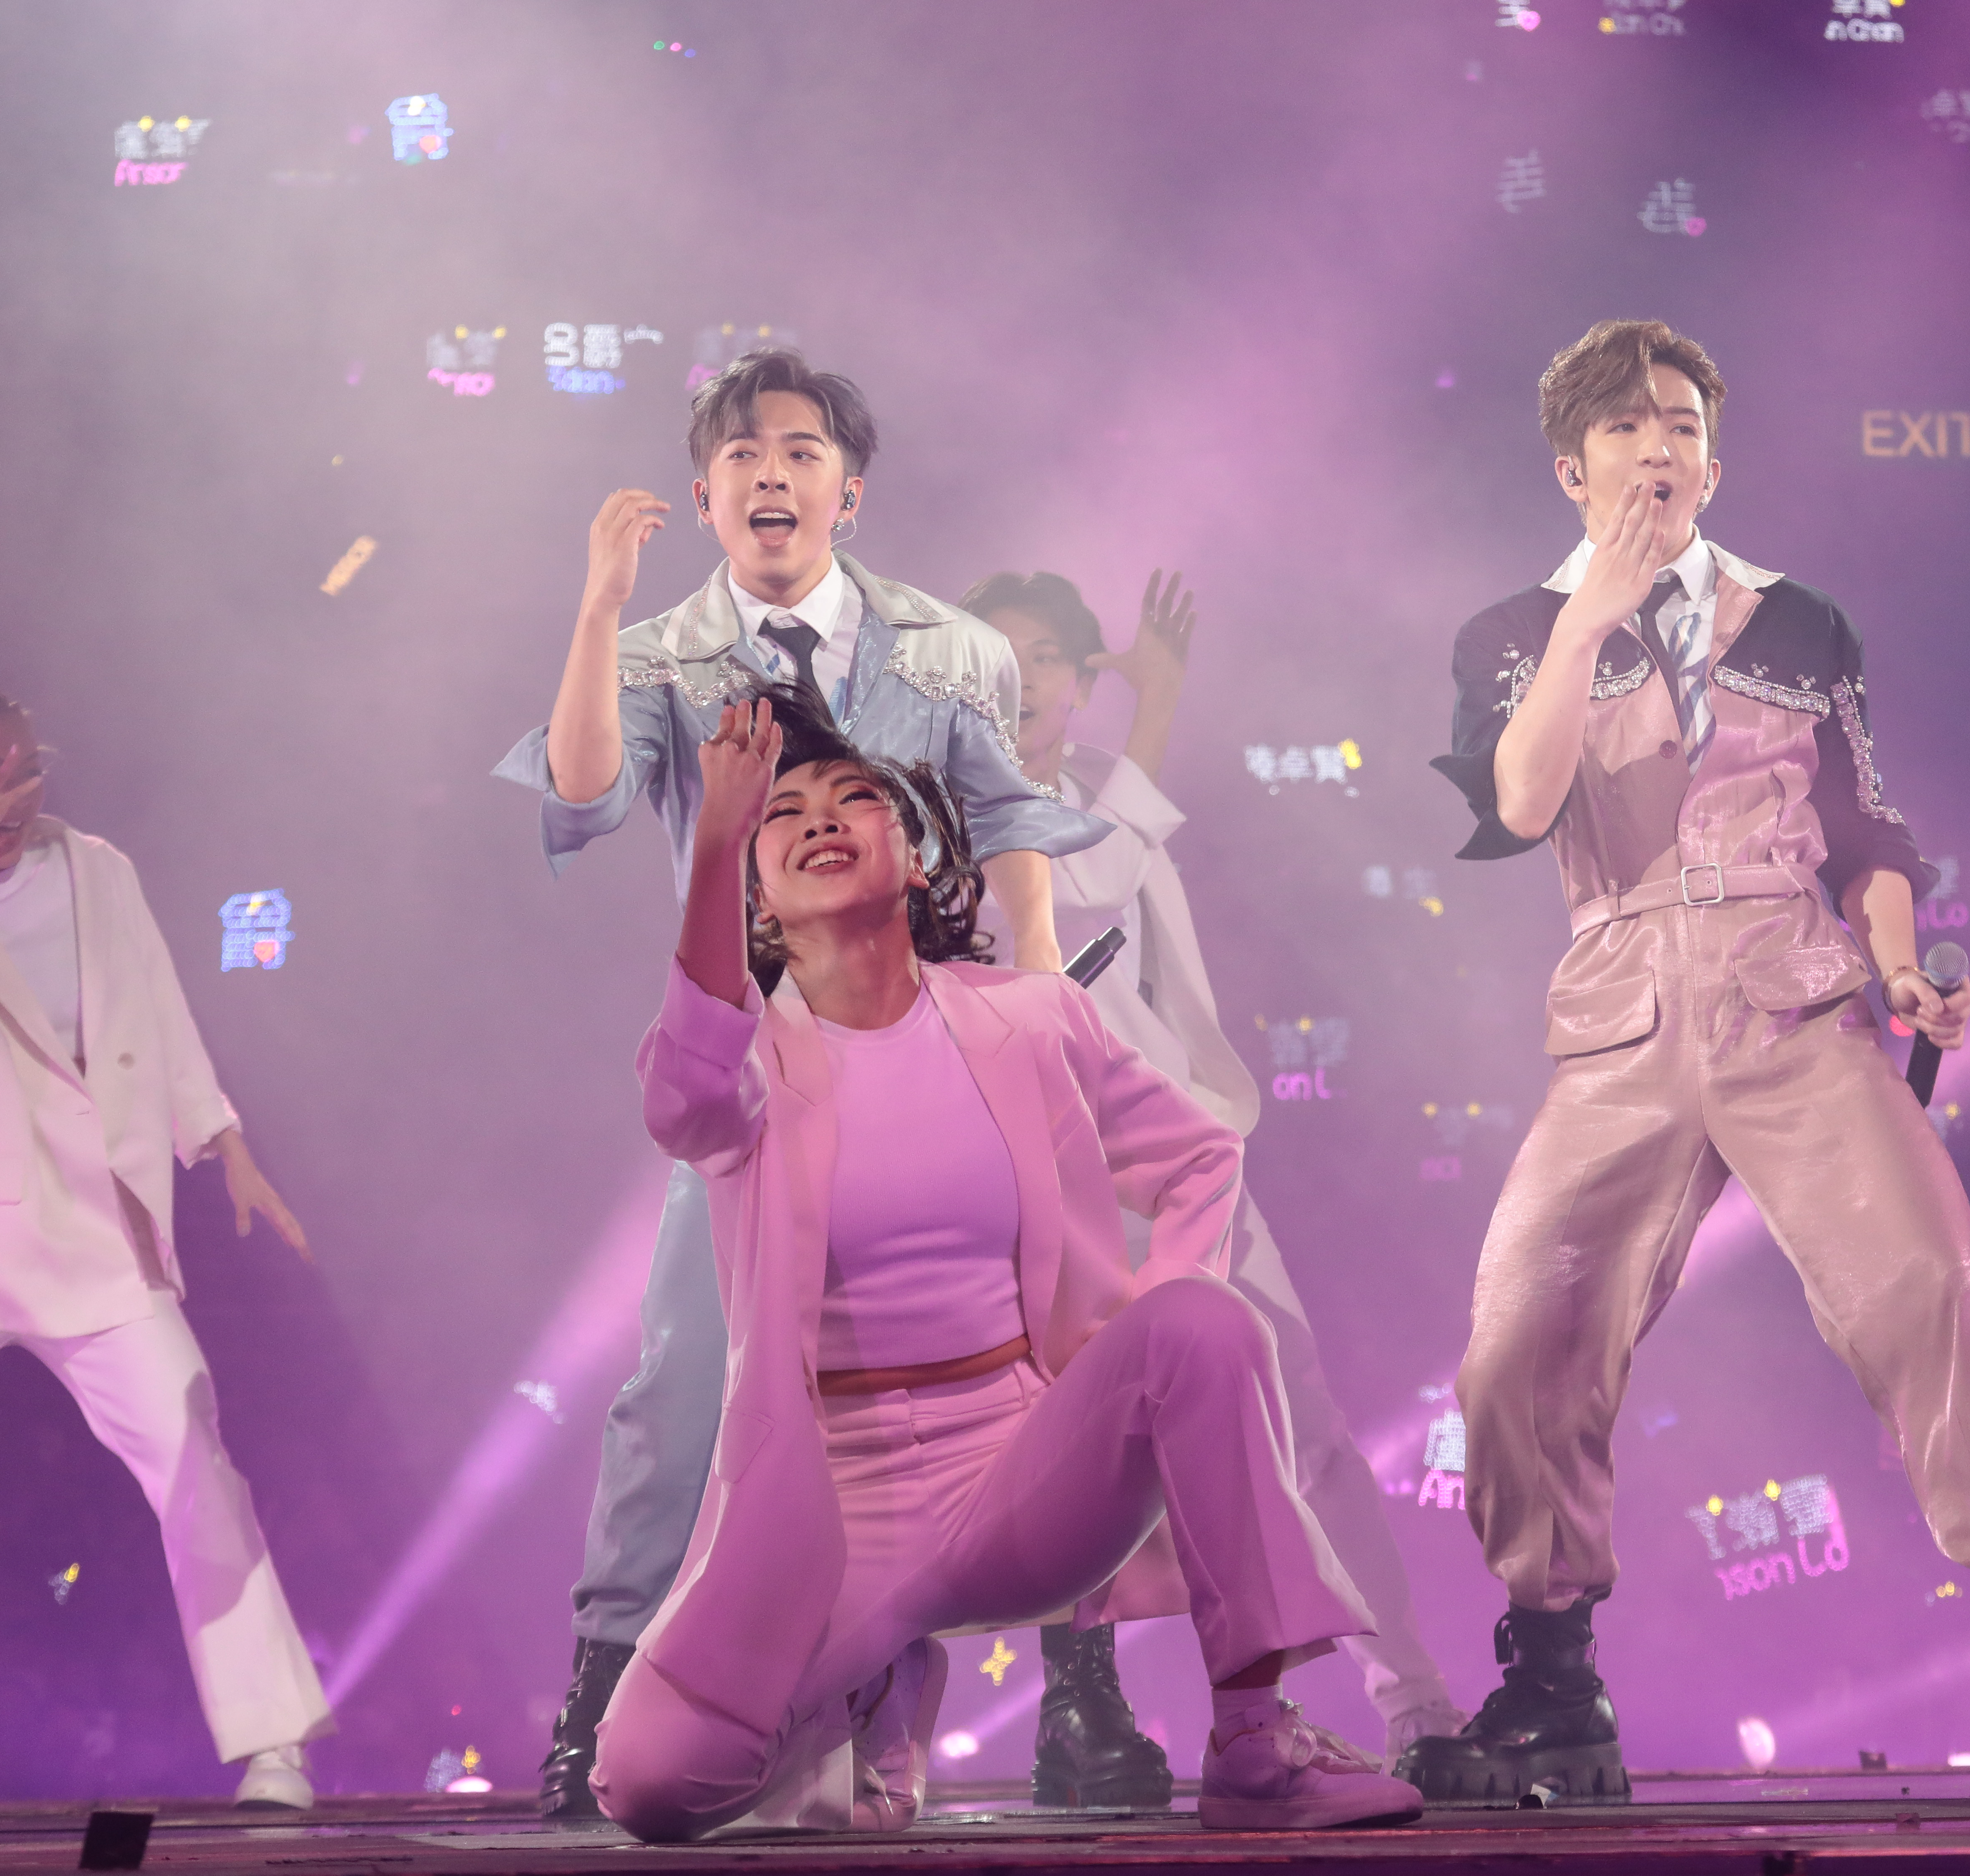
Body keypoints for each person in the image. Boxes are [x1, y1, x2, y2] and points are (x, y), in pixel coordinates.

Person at [1407, 320, 1970, 1803]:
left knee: (1931, 1292)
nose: (1656, 447)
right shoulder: (1510, 634)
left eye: (1679, 423)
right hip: (1621, 1018)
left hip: (1792, 998)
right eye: (1624, 426)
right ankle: (1553, 1683)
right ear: (1571, 467)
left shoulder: (1800, 621)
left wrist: (1903, 966)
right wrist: (1591, 619)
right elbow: (1521, 807)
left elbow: (1865, 828)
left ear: (1715, 461)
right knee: (1517, 1341)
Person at [584, 678, 1423, 1838]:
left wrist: (1143, 1334)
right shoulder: (746, 1066)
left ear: (916, 855)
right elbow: (680, 1095)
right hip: (833, 1503)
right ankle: (873, 1691)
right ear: (758, 899)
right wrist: (715, 834)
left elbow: (1199, 1155)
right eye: (783, 816)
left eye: (854, 798)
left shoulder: (1032, 1018)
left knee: (1203, 1322)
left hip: (1030, 1465)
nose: (821, 819)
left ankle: (1254, 1742)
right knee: (652, 1786)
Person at [491, 349, 1112, 1816]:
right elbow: (581, 797)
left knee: (1022, 1354)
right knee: (686, 1379)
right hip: (762, 1078)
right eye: (743, 454)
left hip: (945, 1065)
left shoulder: (953, 650)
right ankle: (608, 1685)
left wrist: (1044, 1013)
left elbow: (1010, 829)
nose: (772, 471)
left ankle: (1048, 1696)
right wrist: (599, 607)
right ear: (705, 494)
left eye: (801, 449)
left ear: (850, 487)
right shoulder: (662, 656)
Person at [959, 569, 1466, 1801]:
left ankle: (1417, 1704)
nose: (1023, 683)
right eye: (998, 659)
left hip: (1183, 1158)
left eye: (1047, 658)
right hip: (1046, 1181)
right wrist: (1159, 713)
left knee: (1309, 1432)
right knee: (1068, 1448)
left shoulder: (1110, 797)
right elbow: (1074, 888)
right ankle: (1087, 1713)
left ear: (1080, 682)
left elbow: (1142, 946)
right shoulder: (954, 814)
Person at [0, 692, 330, 1807]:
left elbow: (163, 1018)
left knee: (197, 1463)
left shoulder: (97, 872)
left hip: (97, 1230)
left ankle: (275, 1742)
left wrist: (224, 1141)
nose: (9, 802)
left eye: (21, 773)